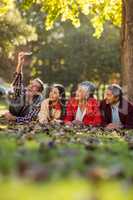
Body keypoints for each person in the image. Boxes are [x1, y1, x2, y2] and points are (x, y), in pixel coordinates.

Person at [4, 52, 44, 123]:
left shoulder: (39, 102)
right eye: (31, 84)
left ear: (38, 92)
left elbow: (30, 118)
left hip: (16, 120)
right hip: (13, 116)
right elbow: (18, 80)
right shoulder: (22, 92)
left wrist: (14, 118)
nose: (31, 86)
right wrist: (20, 64)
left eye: (35, 86)